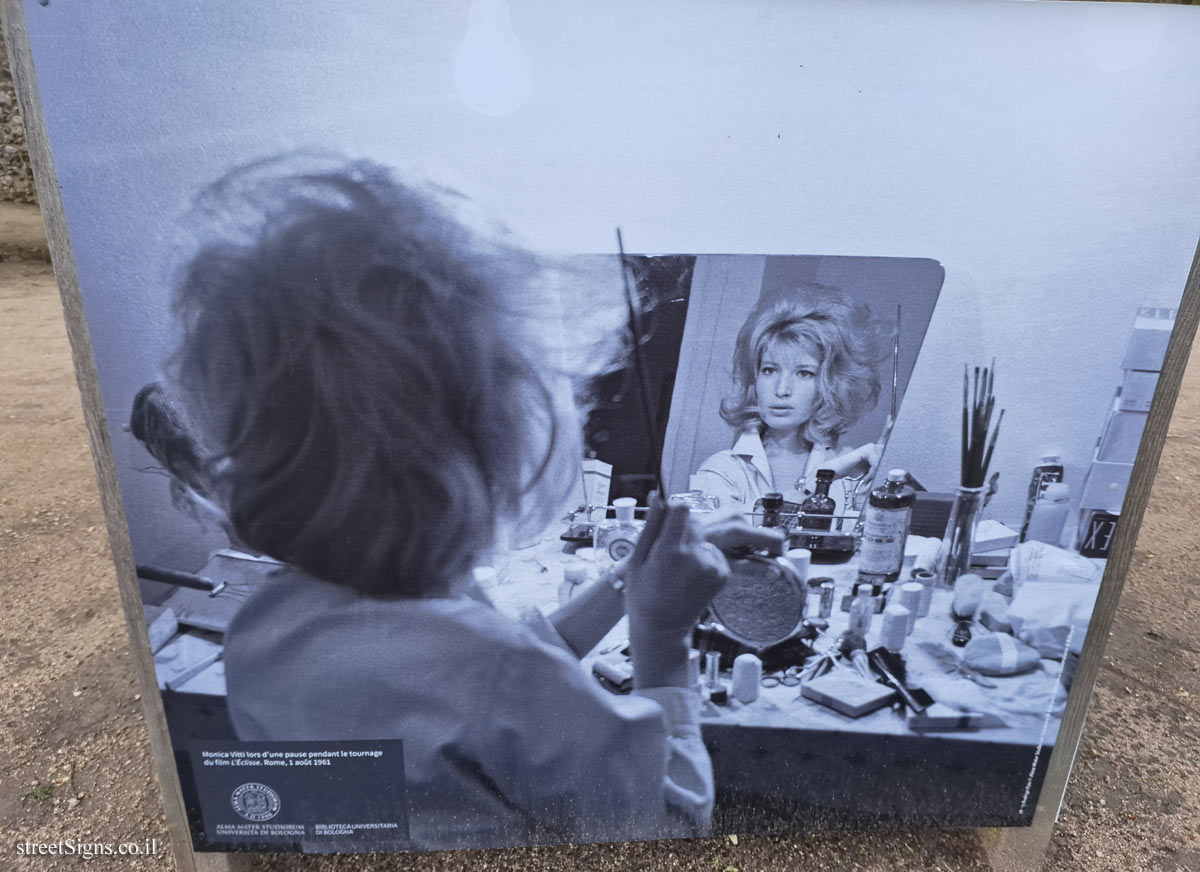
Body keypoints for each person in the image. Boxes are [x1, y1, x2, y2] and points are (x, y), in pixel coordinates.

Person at [162, 154, 781, 850]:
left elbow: (478, 693)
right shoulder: (493, 674)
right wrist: (662, 639)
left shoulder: (264, 629)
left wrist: (625, 584)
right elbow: (666, 825)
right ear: (493, 445)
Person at [693, 289, 890, 517]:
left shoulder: (849, 470)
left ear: (830, 384)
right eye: (769, 370)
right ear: (754, 378)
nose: (782, 390)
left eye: (804, 373)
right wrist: (817, 484)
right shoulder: (722, 470)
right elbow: (720, 535)